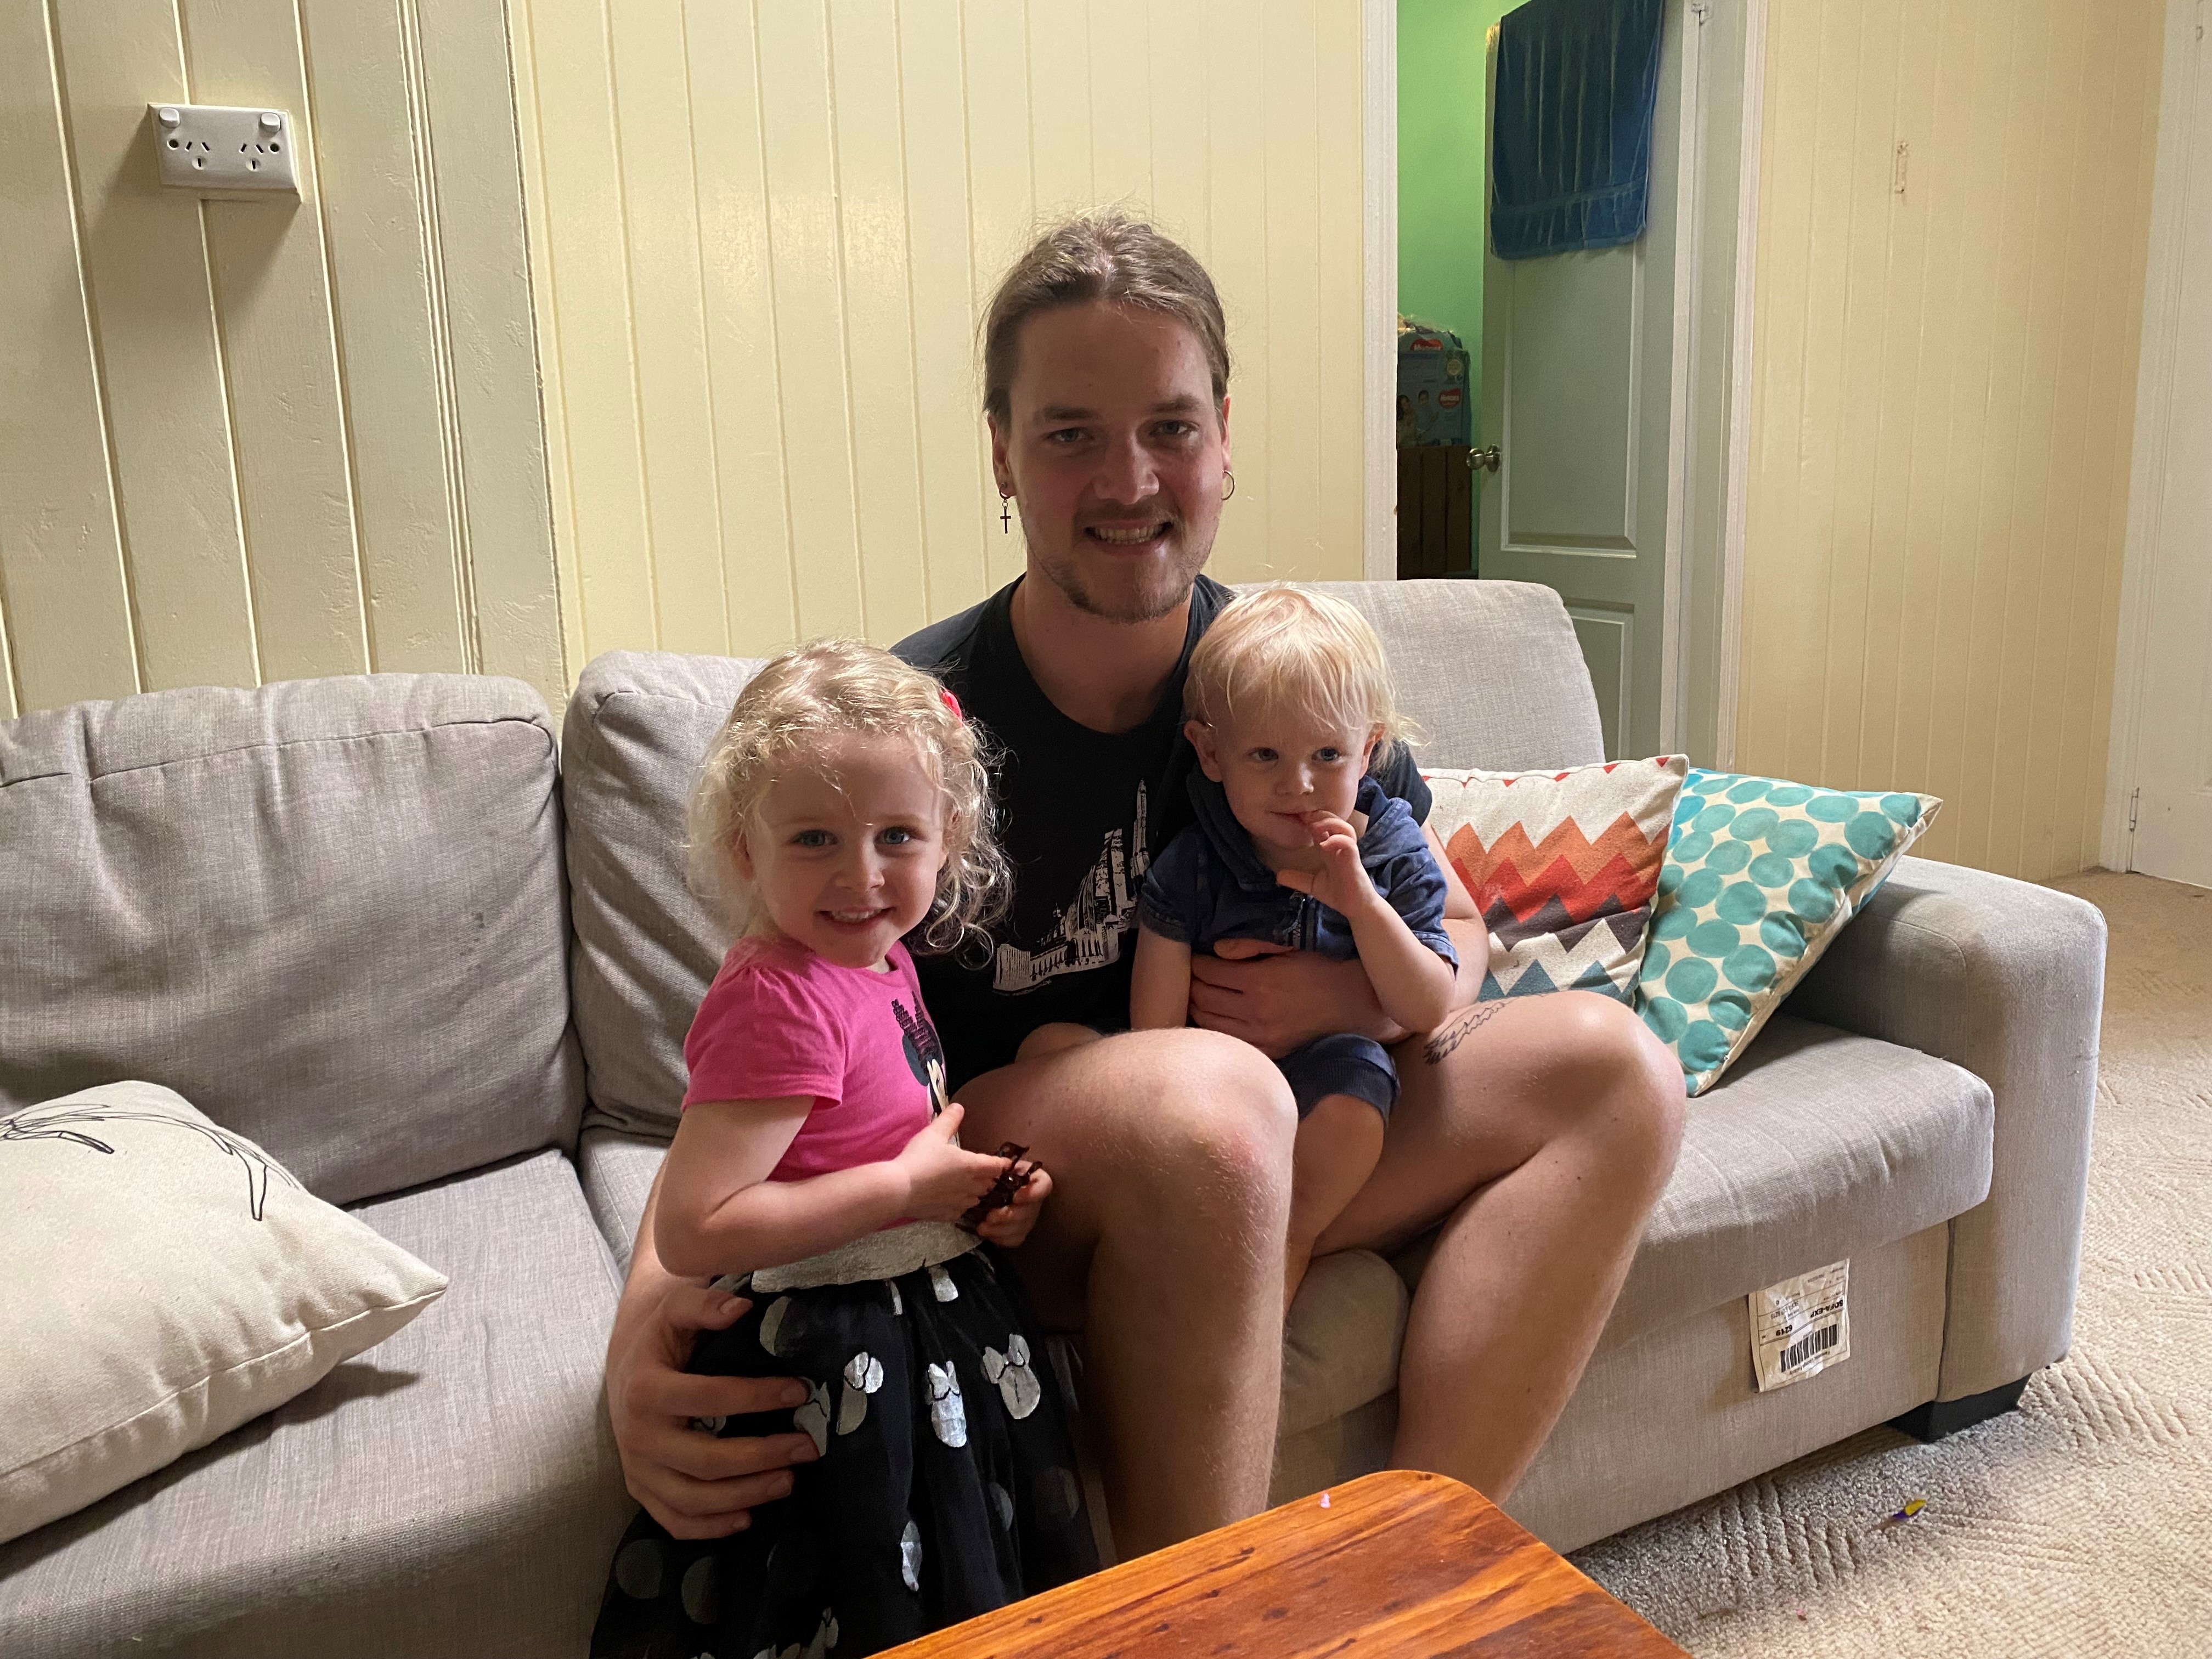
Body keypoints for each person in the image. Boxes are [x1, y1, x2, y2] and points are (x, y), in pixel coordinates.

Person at [602, 210, 1684, 1562]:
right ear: (1002, 453)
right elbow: (748, 1042)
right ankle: (1195, 1623)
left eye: (1170, 427)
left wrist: (1344, 995)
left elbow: (1454, 927)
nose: (1129, 481)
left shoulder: (1284, 687)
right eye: (1071, 434)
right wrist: (641, 1336)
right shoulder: (911, 735)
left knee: (1617, 1067)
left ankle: (1408, 1579)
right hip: (1016, 1188)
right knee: (1213, 1101)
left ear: (1225, 438)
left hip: (1299, 1128)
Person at [590, 642, 1094, 1659]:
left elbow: (868, 1135)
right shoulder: (780, 999)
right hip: (837, 1341)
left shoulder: (878, 959)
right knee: (860, 1597)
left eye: (896, 836)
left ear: (948, 838)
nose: (860, 876)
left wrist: (968, 1196)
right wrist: (905, 1187)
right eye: (815, 838)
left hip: (921, 1311)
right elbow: (698, 1227)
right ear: (746, 850)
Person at [1126, 585, 1458, 1311]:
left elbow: (1430, 1005)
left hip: (1331, 1070)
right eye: (1266, 754)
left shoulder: (1393, 850)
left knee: (1355, 1097)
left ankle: (1289, 1242)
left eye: (1328, 754)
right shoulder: (1197, 861)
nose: (1298, 784)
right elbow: (1153, 1040)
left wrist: (1362, 905)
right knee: (1065, 1052)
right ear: (1211, 753)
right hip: (1218, 1079)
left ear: (1369, 751)